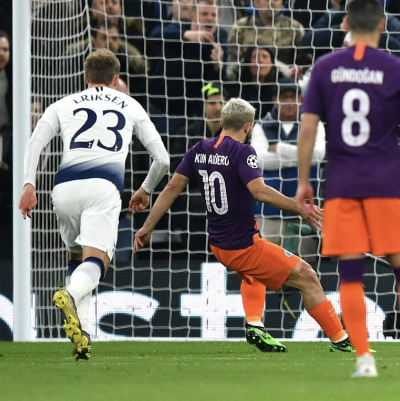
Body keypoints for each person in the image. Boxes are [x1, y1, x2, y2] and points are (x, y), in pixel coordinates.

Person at [294, 0, 400, 378]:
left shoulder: (326, 68)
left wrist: (303, 181)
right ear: (382, 25)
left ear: (346, 24)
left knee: (350, 274)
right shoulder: (395, 68)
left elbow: (308, 127)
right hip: (386, 183)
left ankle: (364, 360)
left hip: (342, 184)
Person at [134, 98, 353, 355]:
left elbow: (172, 187)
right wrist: (301, 208)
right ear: (248, 126)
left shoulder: (199, 149)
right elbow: (259, 191)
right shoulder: (243, 152)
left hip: (219, 243)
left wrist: (147, 226)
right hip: (243, 245)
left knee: (253, 274)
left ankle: (254, 325)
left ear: (224, 121)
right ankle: (341, 340)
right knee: (308, 277)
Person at [19, 50, 171, 360]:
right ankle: (70, 295)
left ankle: (83, 334)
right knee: (98, 261)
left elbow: (35, 141)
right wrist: (145, 189)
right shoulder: (129, 104)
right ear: (116, 79)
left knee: (79, 257)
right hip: (103, 189)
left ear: (85, 77)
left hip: (63, 190)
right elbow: (163, 160)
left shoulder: (63, 104)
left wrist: (28, 184)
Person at [250, 79, 326, 258]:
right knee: (264, 265)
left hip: (306, 210)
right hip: (268, 212)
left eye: (294, 97)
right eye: (284, 97)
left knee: (303, 268)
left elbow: (318, 156)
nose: (290, 102)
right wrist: (302, 156)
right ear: (275, 100)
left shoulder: (314, 124)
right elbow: (259, 160)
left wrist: (279, 149)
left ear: (300, 99)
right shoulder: (261, 125)